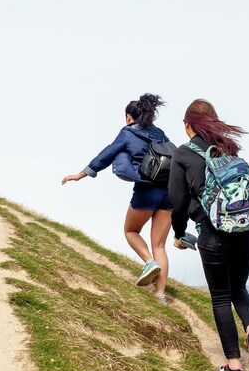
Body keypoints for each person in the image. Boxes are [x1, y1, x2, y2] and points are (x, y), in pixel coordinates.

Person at [168, 99, 249, 371]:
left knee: (221, 296)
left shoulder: (184, 154)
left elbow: (177, 201)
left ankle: (234, 367)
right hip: (248, 227)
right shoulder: (229, 149)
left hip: (214, 233)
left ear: (188, 124)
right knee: (239, 287)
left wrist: (179, 232)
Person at [61, 94, 173, 303]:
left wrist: (81, 174)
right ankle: (160, 295)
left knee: (130, 231)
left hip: (146, 191)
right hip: (168, 193)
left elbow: (107, 154)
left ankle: (149, 263)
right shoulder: (160, 134)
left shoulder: (128, 133)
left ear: (129, 117)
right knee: (159, 245)